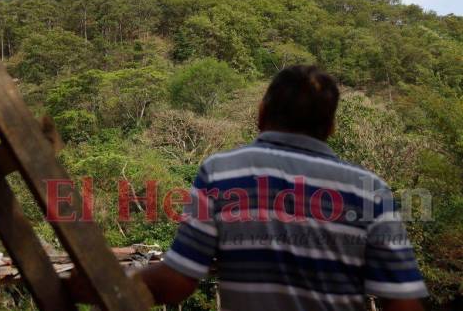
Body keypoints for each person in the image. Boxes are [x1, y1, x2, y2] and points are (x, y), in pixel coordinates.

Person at [136, 65, 428, 310]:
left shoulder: (221, 172)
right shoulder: (371, 190)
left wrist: (110, 282)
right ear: (330, 127)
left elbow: (177, 282)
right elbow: (403, 302)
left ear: (262, 114)